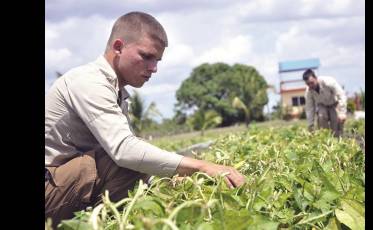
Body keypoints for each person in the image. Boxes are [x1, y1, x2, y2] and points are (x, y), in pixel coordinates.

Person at [45, 11, 245, 227]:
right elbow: (124, 151)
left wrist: (168, 182)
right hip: (51, 190)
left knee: (138, 163)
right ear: (118, 47)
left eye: (157, 60)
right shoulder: (88, 82)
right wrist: (202, 167)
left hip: (68, 187)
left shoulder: (116, 91)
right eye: (146, 56)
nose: (154, 68)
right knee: (125, 159)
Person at [303, 69, 347, 137]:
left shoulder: (328, 82)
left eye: (312, 82)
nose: (310, 85)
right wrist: (310, 125)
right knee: (321, 116)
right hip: (322, 105)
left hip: (334, 104)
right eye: (308, 84)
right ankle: (325, 138)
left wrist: (342, 112)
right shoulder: (308, 92)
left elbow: (341, 94)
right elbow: (310, 108)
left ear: (316, 78)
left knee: (336, 123)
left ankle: (338, 139)